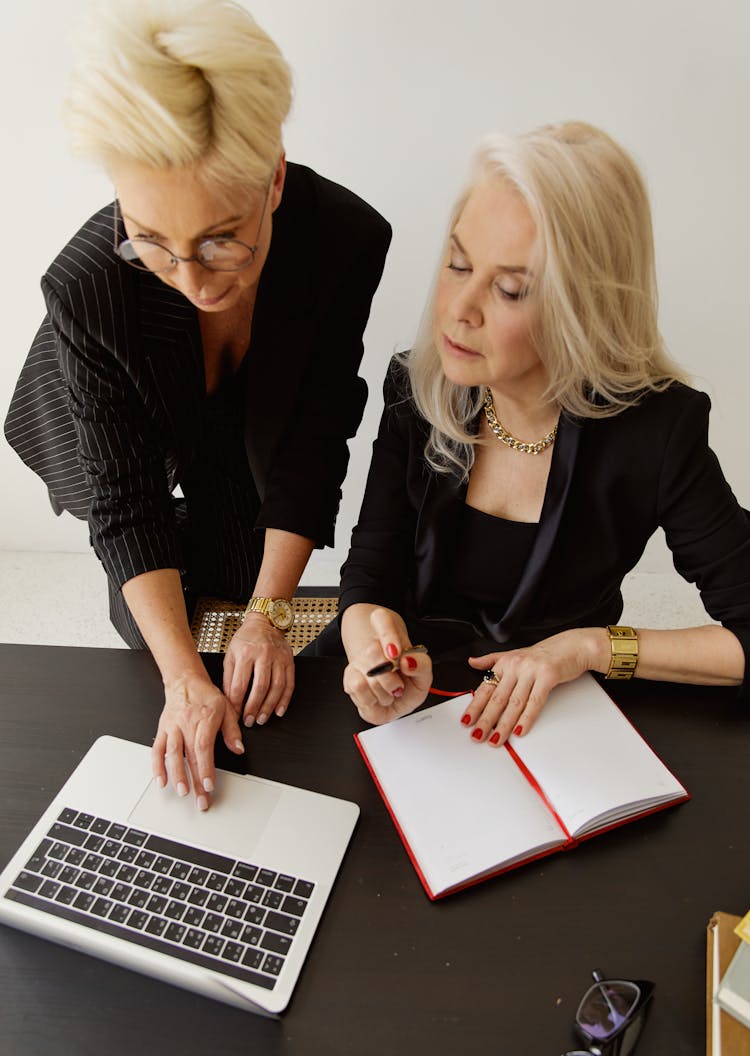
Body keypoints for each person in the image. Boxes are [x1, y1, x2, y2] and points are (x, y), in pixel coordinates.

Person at [4, 0, 391, 808]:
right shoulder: (90, 287)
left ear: (275, 177)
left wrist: (268, 616)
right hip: (108, 417)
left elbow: (317, 434)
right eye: (151, 237)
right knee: (154, 612)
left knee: (240, 563)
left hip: (246, 412)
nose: (193, 277)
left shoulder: (346, 240)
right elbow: (125, 501)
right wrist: (184, 681)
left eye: (222, 236)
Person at [337, 121, 750, 739]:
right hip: (414, 711)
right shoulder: (418, 385)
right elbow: (367, 581)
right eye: (457, 262)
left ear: (583, 307)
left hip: (559, 716)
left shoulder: (658, 430)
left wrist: (588, 648)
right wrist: (372, 651)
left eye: (509, 289)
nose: (459, 308)